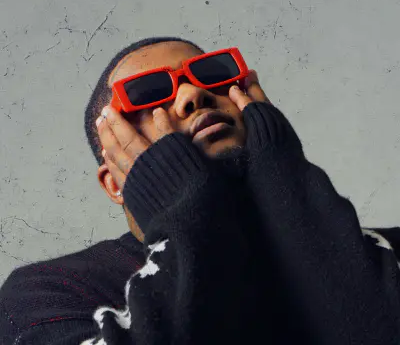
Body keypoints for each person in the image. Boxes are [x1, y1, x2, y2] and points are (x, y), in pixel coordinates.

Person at [1, 37, 400, 345]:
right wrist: (185, 205)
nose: (193, 95)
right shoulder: (49, 291)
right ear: (114, 182)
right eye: (147, 95)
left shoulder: (391, 251)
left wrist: (287, 181)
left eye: (211, 74)